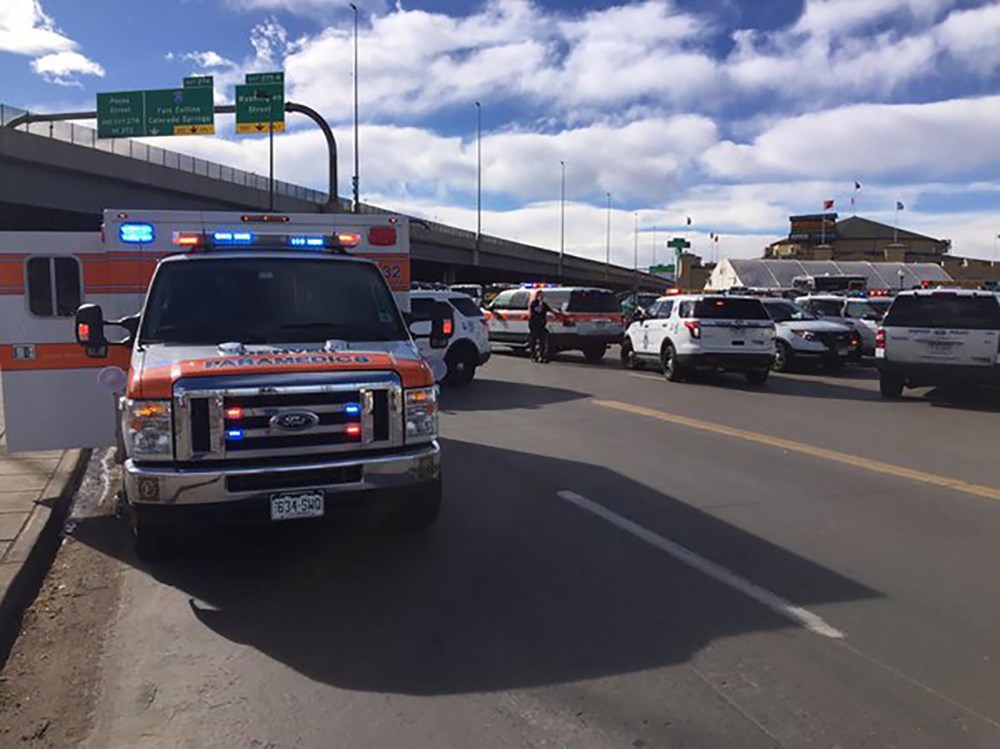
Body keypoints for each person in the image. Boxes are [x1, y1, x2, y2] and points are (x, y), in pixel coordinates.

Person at [528, 291, 557, 363]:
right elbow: (537, 310)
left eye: (542, 296)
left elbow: (550, 310)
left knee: (542, 341)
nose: (541, 297)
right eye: (540, 295)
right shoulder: (534, 303)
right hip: (534, 324)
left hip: (541, 325)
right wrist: (540, 304)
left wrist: (556, 314)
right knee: (533, 340)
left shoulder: (544, 304)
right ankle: (533, 356)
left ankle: (542, 356)